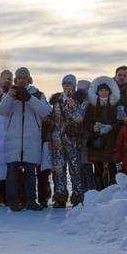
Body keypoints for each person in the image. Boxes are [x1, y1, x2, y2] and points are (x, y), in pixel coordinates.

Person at [0, 67, 51, 211]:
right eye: (19, 78)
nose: (22, 80)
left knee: (30, 173)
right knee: (12, 173)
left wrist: (29, 98)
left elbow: (46, 112)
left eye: (24, 78)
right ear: (16, 80)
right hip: (13, 140)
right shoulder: (9, 94)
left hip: (31, 139)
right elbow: (1, 111)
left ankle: (31, 201)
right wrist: (10, 96)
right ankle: (13, 202)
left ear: (29, 79)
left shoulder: (37, 94)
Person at [48, 74, 87, 207]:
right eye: (65, 84)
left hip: (73, 140)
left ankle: (77, 196)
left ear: (74, 86)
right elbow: (53, 119)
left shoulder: (80, 100)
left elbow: (79, 119)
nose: (67, 87)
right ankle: (60, 197)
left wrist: (73, 106)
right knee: (58, 170)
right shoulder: (56, 100)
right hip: (57, 140)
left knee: (75, 169)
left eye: (69, 84)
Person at [85, 77, 121, 190]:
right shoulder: (92, 106)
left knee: (112, 167)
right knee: (98, 168)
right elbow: (86, 122)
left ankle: (112, 192)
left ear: (110, 91)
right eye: (101, 90)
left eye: (106, 90)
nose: (104, 92)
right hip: (97, 143)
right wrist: (93, 127)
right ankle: (99, 192)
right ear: (97, 92)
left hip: (111, 142)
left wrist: (111, 127)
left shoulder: (115, 105)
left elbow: (120, 122)